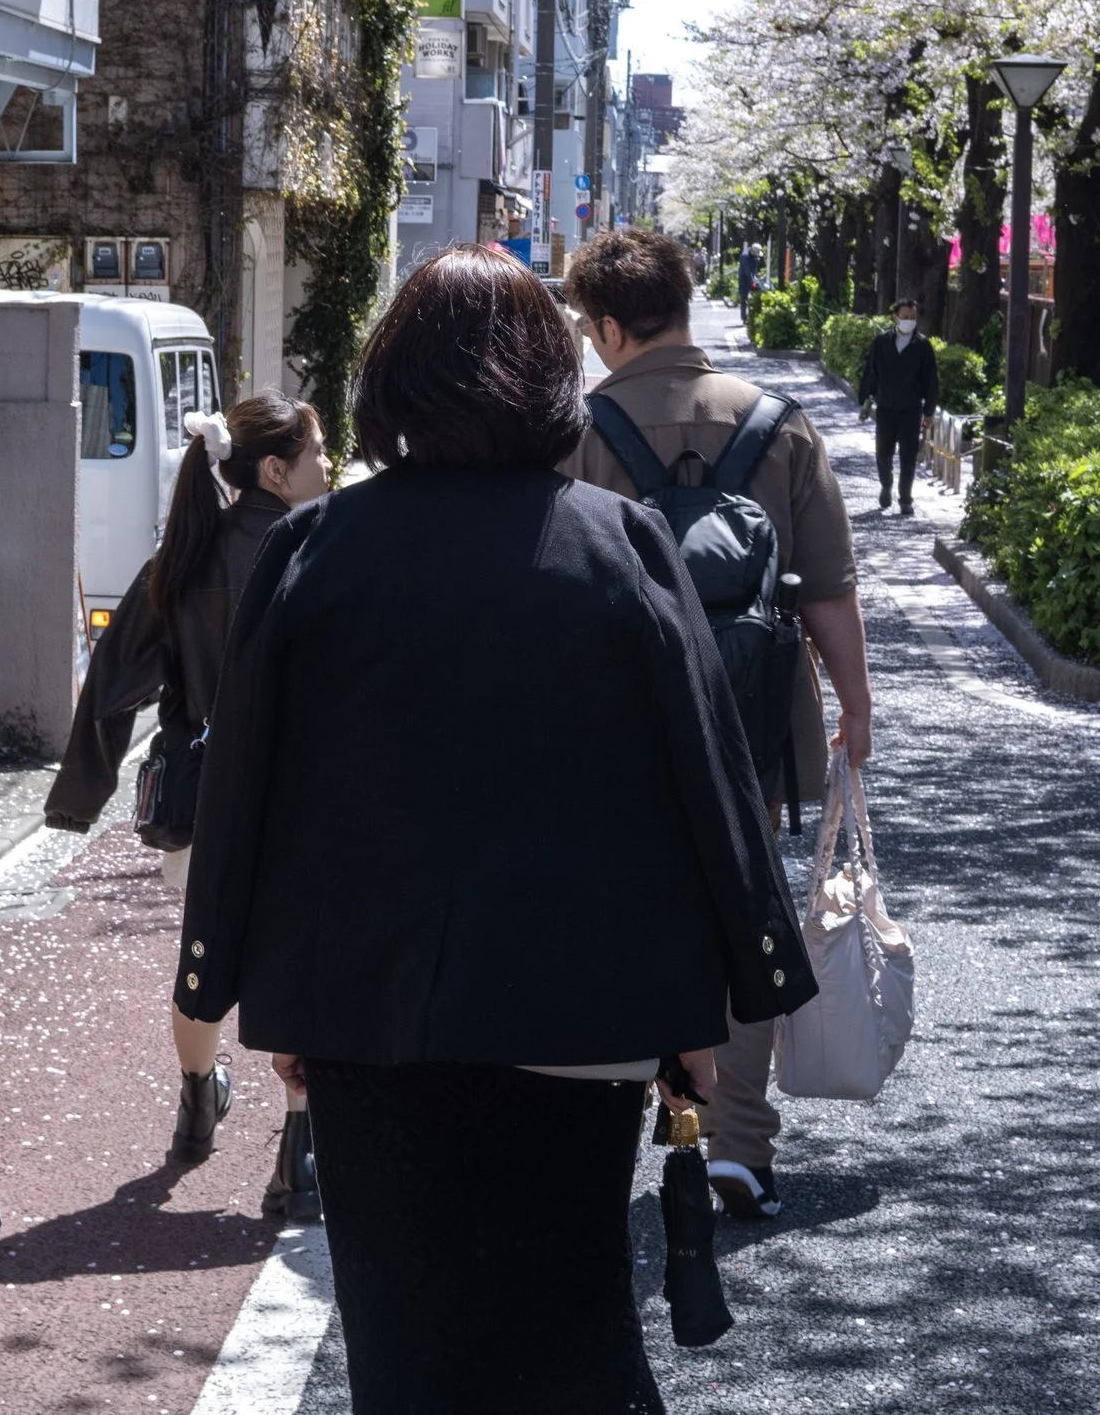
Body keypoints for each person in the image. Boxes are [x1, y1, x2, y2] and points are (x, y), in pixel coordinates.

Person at [177, 245, 816, 1415]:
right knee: (571, 1329)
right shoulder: (614, 544)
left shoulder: (315, 549)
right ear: (546, 380)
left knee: (403, 1344)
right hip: (581, 1006)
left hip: (369, 1007)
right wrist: (717, 994)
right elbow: (701, 781)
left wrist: (239, 980)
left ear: (391, 383)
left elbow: (246, 787)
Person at [560, 227, 870, 1221]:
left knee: (617, 913)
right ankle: (738, 1144)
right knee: (740, 914)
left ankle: (621, 1123)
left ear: (612, 327)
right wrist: (854, 710)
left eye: (589, 327)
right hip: (752, 716)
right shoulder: (779, 425)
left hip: (615, 717)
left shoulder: (578, 431)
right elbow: (829, 590)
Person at [43, 392, 333, 1215]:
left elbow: (110, 684)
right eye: (316, 452)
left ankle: (197, 1102)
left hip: (202, 799)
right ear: (274, 469)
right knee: (296, 964)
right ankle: (298, 1156)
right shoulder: (317, 549)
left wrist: (78, 800)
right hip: (299, 797)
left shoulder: (185, 557)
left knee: (201, 956)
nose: (328, 465)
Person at [857, 298, 941, 516]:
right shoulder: (881, 342)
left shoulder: (922, 345)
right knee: (883, 453)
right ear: (895, 317)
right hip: (886, 407)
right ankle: (886, 484)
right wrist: (865, 399)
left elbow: (931, 381)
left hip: (911, 408)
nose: (909, 321)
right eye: (905, 317)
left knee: (908, 455)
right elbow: (871, 372)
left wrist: (929, 411)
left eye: (913, 317)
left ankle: (905, 498)